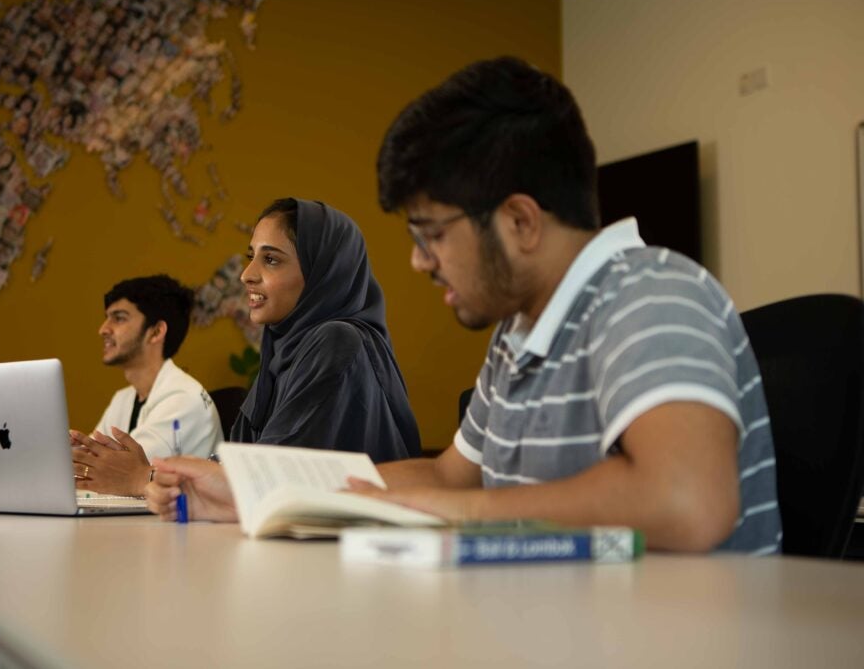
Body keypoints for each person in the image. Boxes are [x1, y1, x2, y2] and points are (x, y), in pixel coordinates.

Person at [144, 58, 781, 554]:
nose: (421, 262)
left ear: (520, 221)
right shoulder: (519, 336)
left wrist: (458, 517)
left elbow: (685, 498)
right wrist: (255, 495)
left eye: (433, 235)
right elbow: (450, 478)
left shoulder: (651, 293)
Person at [228, 197, 420, 461]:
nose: (247, 274)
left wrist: (159, 477)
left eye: (271, 259)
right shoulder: (282, 349)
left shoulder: (337, 341)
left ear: (324, 273)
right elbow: (241, 454)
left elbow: (271, 466)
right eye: (251, 256)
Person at [72, 274, 223, 496]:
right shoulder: (122, 398)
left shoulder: (184, 398)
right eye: (107, 318)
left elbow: (116, 476)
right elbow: (91, 469)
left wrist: (77, 462)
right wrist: (75, 453)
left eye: (119, 318)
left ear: (156, 332)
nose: (103, 329)